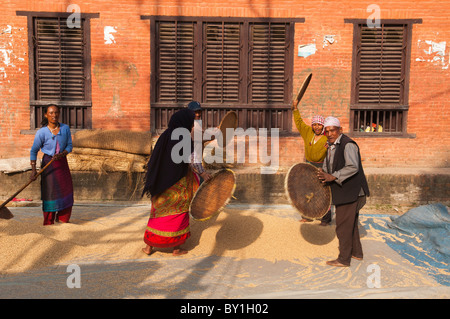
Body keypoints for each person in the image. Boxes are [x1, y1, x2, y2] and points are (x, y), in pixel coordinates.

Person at [141, 108, 211, 256]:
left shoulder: (165, 135)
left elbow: (155, 158)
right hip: (177, 182)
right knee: (178, 213)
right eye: (191, 123)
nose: (192, 126)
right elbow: (192, 159)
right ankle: (176, 249)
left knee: (157, 213)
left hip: (160, 182)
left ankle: (148, 248)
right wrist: (203, 174)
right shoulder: (183, 137)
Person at [317, 116, 370, 267]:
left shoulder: (348, 145)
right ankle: (356, 253)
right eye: (327, 131)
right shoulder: (331, 145)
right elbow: (330, 166)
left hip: (351, 191)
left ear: (340, 130)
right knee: (350, 224)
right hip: (344, 190)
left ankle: (343, 259)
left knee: (342, 226)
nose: (330, 134)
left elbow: (353, 167)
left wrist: (332, 176)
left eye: (332, 130)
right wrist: (323, 174)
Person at [30, 104, 74, 226]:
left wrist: (63, 153)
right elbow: (33, 151)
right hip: (48, 164)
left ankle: (63, 219)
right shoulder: (42, 132)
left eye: (56, 112)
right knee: (50, 192)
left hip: (62, 163)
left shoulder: (65, 129)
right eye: (51, 113)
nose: (54, 115)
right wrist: (33, 171)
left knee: (66, 189)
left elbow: (69, 145)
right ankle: (49, 221)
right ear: (46, 115)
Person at [291, 100, 332, 225]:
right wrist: (295, 109)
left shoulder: (327, 137)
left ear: (323, 126)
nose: (317, 127)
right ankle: (307, 215)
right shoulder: (308, 133)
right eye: (314, 125)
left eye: (319, 125)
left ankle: (325, 218)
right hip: (308, 166)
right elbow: (299, 123)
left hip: (322, 167)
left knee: (323, 192)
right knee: (306, 190)